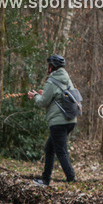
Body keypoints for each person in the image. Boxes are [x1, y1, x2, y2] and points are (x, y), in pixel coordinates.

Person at [29, 55, 78, 186]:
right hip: (71, 120)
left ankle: (71, 180)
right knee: (50, 148)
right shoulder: (67, 79)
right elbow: (58, 96)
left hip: (58, 122)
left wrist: (36, 96)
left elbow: (43, 102)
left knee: (61, 151)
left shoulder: (51, 80)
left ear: (51, 66)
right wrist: (44, 93)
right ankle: (45, 179)